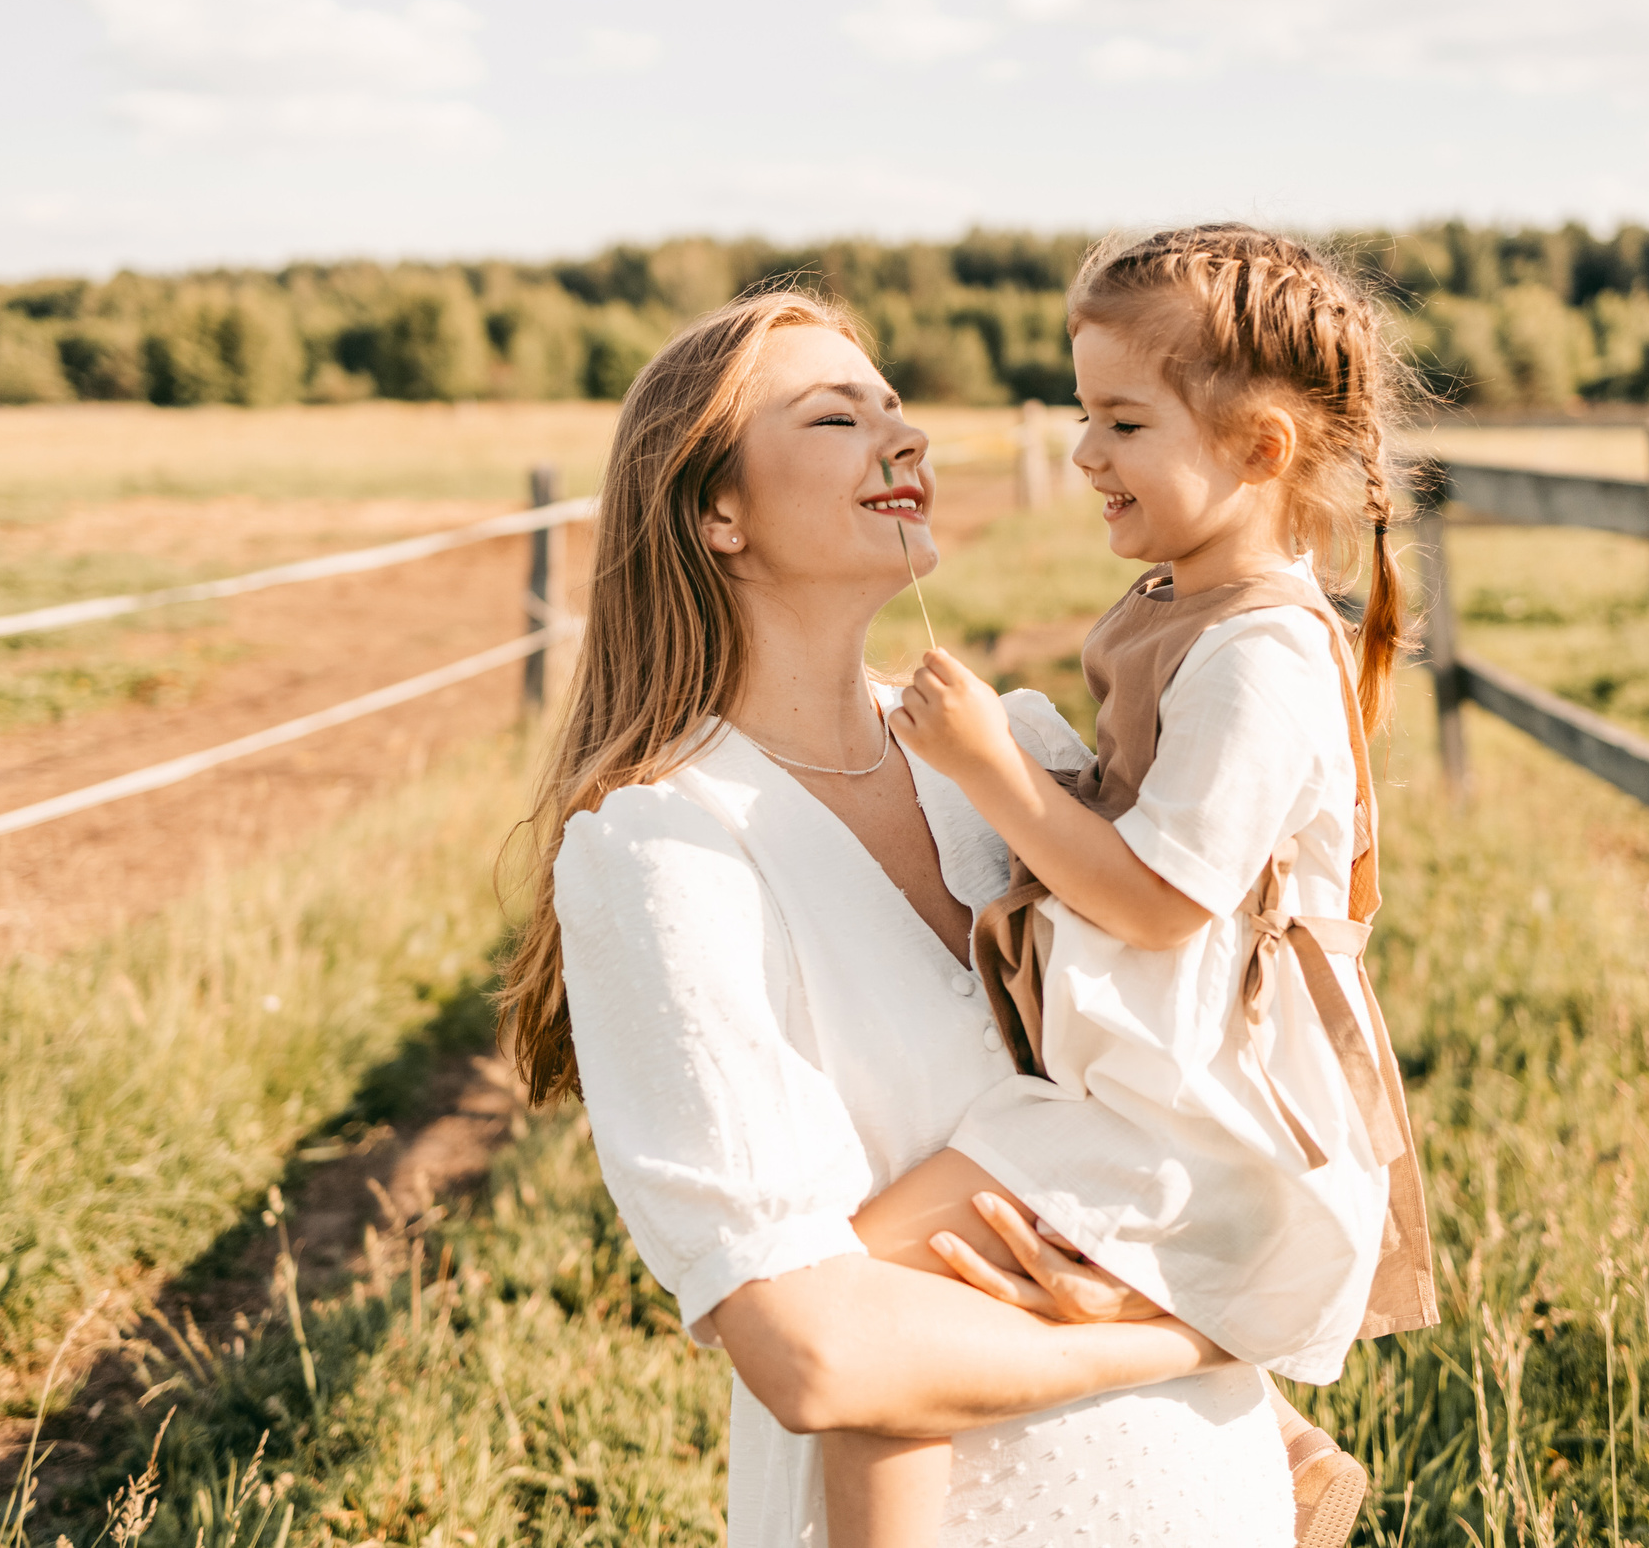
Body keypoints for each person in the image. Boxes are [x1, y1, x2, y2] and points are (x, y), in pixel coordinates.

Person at [507, 288, 1297, 1548]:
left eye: (894, 409)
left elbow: (1213, 1090)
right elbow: (814, 1353)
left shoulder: (1015, 756)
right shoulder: (668, 849)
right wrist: (1190, 1328)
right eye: (836, 418)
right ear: (717, 514)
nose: (905, 438)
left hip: (1210, 1494)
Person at [822, 224, 1440, 1548]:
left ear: (1260, 449)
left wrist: (993, 766)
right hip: (1138, 1084)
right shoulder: (1188, 603)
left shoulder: (1261, 655)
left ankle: (1236, 1405)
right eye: (1081, 415)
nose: (1086, 454)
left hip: (1185, 1120)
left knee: (841, 1292)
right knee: (875, 1287)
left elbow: (1163, 900)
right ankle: (1272, 1440)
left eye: (1122, 421)